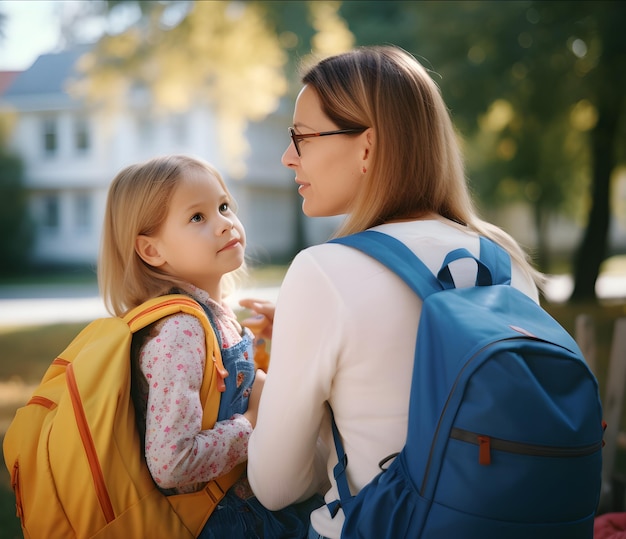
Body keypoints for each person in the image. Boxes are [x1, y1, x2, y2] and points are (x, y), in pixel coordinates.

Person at [243, 46, 543, 539]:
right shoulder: (503, 257)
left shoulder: (323, 271)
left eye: (302, 137)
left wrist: (282, 394)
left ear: (366, 147)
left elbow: (276, 485)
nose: (288, 156)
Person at [99, 154, 321, 538]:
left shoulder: (209, 318)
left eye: (223, 206)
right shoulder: (180, 331)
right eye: (197, 217)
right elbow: (172, 462)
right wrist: (252, 422)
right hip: (227, 521)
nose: (224, 224)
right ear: (152, 251)